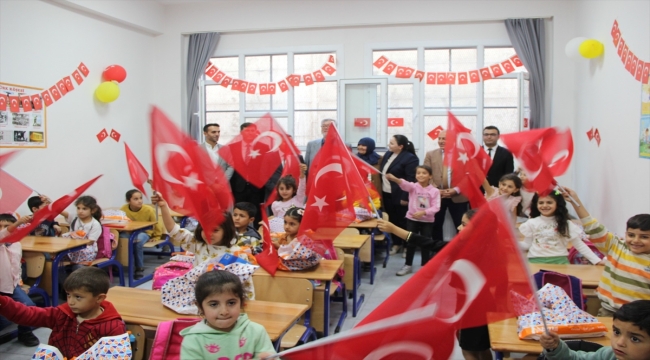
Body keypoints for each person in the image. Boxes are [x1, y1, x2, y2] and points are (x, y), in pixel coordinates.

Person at [0, 267, 126, 359]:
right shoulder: (61, 314)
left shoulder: (113, 327)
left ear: (99, 298)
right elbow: (28, 314)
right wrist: (2, 302)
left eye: (78, 297)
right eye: (68, 295)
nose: (71, 302)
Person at [562, 187, 650, 317]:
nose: (635, 240)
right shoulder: (616, 246)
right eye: (631, 235)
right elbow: (592, 226)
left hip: (641, 316)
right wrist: (575, 200)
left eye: (644, 237)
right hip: (609, 310)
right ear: (625, 234)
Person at [180, 271, 275, 359]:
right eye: (214, 304)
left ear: (242, 302)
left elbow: (271, 356)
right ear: (200, 307)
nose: (224, 311)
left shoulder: (256, 332)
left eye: (231, 303)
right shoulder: (193, 340)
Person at [153, 193, 245, 266]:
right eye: (205, 229)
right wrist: (163, 206)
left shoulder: (236, 253)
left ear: (227, 231)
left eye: (215, 230)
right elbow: (174, 230)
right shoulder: (198, 244)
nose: (209, 234)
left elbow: (245, 285)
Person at [540, 300, 650, 360]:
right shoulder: (608, 355)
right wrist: (555, 348)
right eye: (617, 332)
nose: (620, 343)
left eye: (634, 339)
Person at [518, 190, 603, 265]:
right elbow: (526, 245)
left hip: (560, 262)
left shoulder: (566, 224)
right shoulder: (531, 223)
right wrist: (510, 243)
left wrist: (597, 261)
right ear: (536, 204)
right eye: (541, 203)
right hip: (535, 262)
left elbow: (579, 244)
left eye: (549, 202)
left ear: (557, 204)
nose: (544, 205)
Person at [386, 165, 440, 276]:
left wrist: (424, 212)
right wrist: (395, 179)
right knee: (410, 242)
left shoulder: (435, 191)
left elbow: (436, 207)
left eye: (424, 173)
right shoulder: (413, 187)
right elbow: (404, 184)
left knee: (426, 243)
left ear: (430, 176)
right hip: (412, 219)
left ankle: (425, 266)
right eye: (418, 173)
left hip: (427, 221)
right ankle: (408, 265)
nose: (420, 175)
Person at [0, 213, 40, 347]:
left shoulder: (16, 244)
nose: (3, 229)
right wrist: (16, 224)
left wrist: (20, 284)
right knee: (4, 319)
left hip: (12, 286)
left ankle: (25, 332)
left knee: (28, 307)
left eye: (6, 226)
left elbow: (16, 267)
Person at [423, 130, 469, 243]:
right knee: (435, 225)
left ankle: (460, 250)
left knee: (461, 225)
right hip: (436, 196)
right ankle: (437, 251)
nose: (441, 141)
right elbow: (425, 174)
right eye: (440, 138)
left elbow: (469, 176)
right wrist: (436, 190)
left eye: (444, 138)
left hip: (459, 196)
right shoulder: (430, 154)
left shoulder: (464, 155)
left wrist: (456, 189)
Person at [229, 122, 282, 218]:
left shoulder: (264, 147)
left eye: (252, 131)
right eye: (247, 131)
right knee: (238, 214)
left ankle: (257, 232)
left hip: (257, 188)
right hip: (238, 188)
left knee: (257, 215)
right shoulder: (232, 148)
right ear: (241, 132)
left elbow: (267, 169)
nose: (250, 133)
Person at [379, 135, 419, 256]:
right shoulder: (388, 154)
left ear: (400, 146)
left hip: (401, 194)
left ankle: (407, 246)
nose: (388, 145)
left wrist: (405, 197)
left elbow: (411, 179)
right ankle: (396, 244)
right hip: (387, 192)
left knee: (404, 222)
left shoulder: (410, 158)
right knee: (392, 220)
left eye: (391, 143)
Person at [120, 189, 163, 279]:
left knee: (137, 242)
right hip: (130, 232)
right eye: (135, 199)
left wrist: (157, 236)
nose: (139, 201)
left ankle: (139, 268)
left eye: (140, 198)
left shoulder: (148, 210)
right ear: (128, 201)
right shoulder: (123, 209)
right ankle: (120, 264)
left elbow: (157, 223)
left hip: (144, 232)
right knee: (121, 239)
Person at [64, 196, 102, 264]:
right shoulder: (75, 218)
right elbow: (60, 211)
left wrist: (76, 241)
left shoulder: (95, 224)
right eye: (78, 208)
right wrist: (49, 203)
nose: (80, 211)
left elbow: (90, 242)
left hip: (86, 252)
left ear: (93, 210)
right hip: (72, 248)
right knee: (55, 259)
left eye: (84, 209)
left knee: (78, 267)